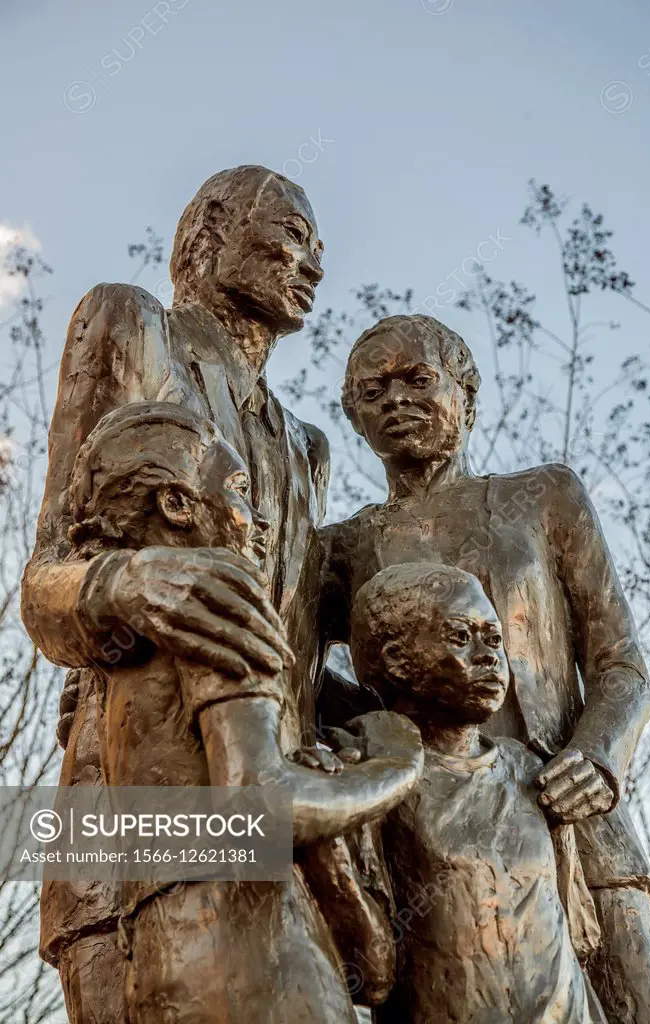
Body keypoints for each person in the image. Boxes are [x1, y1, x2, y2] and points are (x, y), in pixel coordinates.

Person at [20, 166, 391, 1023]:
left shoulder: (308, 450)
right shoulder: (130, 322)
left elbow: (283, 656)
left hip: (280, 811)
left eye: (322, 248)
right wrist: (126, 579)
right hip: (128, 806)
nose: (316, 266)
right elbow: (44, 588)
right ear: (205, 237)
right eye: (294, 235)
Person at [321, 313, 650, 1023]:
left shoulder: (545, 498)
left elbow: (622, 666)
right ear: (353, 414)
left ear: (468, 395)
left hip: (572, 818)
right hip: (435, 849)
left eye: (418, 379)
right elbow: (294, 676)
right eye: (372, 390)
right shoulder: (346, 545)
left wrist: (599, 755)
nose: (395, 400)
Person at [65, 400, 421, 1023]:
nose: (258, 520)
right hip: (255, 951)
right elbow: (258, 808)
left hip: (163, 953)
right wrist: (395, 764)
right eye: (237, 492)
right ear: (178, 505)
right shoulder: (215, 593)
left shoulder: (127, 641)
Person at [350, 561, 607, 1023]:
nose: (489, 656)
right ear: (396, 659)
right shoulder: (371, 765)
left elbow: (575, 938)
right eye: (459, 635)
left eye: (494, 639)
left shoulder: (530, 771)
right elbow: (370, 971)